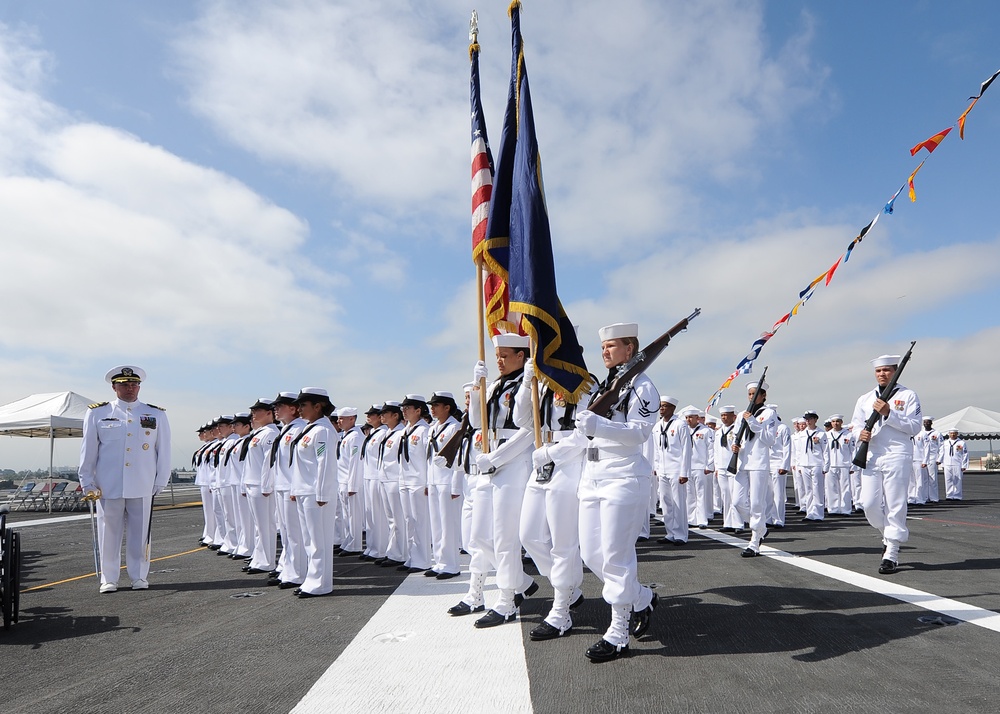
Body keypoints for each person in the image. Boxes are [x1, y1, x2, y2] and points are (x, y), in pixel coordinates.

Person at [574, 322, 659, 662]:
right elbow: (586, 432)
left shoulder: (643, 386)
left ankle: (618, 631)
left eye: (612, 346)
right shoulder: (606, 386)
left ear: (631, 349)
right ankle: (640, 597)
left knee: (616, 555)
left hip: (624, 475)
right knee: (591, 553)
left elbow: (640, 433)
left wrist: (601, 425)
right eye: (603, 347)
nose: (605, 351)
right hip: (592, 473)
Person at [451, 333, 537, 628]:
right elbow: (478, 422)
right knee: (478, 537)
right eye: (496, 355)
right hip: (490, 461)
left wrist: (498, 457)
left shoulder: (527, 383)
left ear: (521, 357)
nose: (498, 360)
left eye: (504, 355)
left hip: (513, 461)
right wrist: (477, 389)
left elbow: (529, 431)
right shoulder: (497, 386)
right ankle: (522, 582)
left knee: (505, 538)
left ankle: (506, 601)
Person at [515, 358, 591, 640]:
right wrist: (526, 381)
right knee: (529, 535)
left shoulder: (584, 385)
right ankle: (570, 588)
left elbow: (585, 435)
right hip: (541, 461)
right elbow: (522, 420)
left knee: (563, 544)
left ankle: (561, 612)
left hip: (567, 463)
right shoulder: (544, 385)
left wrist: (552, 454)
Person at [78, 365, 171, 593]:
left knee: (140, 535)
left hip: (142, 483)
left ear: (139, 386)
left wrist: (160, 480)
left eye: (134, 384)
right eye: (124, 384)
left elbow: (163, 450)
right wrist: (87, 481)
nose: (130, 389)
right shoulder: (98, 413)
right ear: (114, 387)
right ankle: (109, 578)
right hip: (108, 485)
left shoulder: (155, 414)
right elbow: (88, 450)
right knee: (108, 533)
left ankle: (139, 576)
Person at [851, 354, 922, 574]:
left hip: (897, 453)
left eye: (887, 370)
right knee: (869, 504)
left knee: (895, 503)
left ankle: (891, 552)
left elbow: (915, 427)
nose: (882, 374)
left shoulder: (908, 395)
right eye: (878, 371)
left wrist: (889, 413)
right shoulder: (864, 398)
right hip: (872, 454)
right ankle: (888, 534)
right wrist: (859, 434)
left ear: (894, 371)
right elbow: (854, 425)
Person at [289, 387, 339, 597]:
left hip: (315, 493)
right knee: (310, 540)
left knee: (319, 541)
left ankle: (320, 584)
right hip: (304, 491)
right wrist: (295, 489)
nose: (299, 409)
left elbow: (324, 463)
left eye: (303, 405)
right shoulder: (309, 429)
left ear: (318, 406)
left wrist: (322, 494)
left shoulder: (323, 431)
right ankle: (312, 580)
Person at [265, 392, 308, 589]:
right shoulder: (285, 430)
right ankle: (288, 568)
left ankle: (298, 573)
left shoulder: (299, 429)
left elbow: (298, 463)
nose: (276, 409)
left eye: (280, 406)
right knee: (287, 532)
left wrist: (294, 487)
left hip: (291, 487)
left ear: (293, 409)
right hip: (282, 486)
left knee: (295, 533)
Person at [731, 381, 777, 557]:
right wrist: (734, 447)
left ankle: (754, 543)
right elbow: (736, 437)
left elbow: (769, 439)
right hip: (743, 462)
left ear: (763, 395)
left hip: (759, 463)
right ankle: (760, 528)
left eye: (755, 393)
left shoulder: (769, 413)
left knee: (757, 504)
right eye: (750, 393)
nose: (752, 396)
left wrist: (752, 421)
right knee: (737, 501)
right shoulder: (742, 415)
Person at [425, 392, 464, 579]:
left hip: (447, 481)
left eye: (436, 405)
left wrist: (456, 486)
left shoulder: (454, 428)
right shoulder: (433, 428)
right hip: (434, 480)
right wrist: (427, 481)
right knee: (436, 524)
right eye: (431, 405)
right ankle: (440, 562)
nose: (432, 408)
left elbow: (458, 457)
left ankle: (451, 565)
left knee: (448, 524)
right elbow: (429, 458)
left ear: (447, 407)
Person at [240, 399, 279, 574]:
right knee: (258, 525)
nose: (254, 414)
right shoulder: (259, 433)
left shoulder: (271, 433)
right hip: (252, 482)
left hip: (260, 485)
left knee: (265, 525)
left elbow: (268, 463)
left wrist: (266, 486)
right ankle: (259, 558)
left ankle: (267, 561)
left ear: (269, 413)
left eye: (258, 410)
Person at [398, 395, 432, 573]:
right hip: (405, 479)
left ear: (418, 410)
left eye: (408, 408)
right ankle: (412, 557)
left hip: (419, 480)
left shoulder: (424, 430)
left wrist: (427, 482)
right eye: (403, 408)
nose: (404, 411)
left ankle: (423, 560)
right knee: (408, 520)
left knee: (420, 521)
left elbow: (429, 458)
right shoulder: (406, 430)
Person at [650, 396, 690, 545]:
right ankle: (670, 533)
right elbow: (656, 449)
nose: (662, 409)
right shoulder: (657, 426)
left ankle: (680, 535)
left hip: (676, 469)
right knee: (666, 503)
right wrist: (656, 467)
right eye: (660, 406)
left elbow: (686, 450)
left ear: (673, 408)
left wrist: (684, 472)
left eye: (665, 406)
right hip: (663, 470)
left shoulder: (680, 424)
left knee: (678, 503)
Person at [335, 407, 364, 557]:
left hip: (350, 481)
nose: (339, 421)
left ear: (352, 419)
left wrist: (352, 484)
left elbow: (355, 463)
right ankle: (347, 541)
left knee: (353, 515)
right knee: (346, 515)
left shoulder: (355, 437)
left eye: (342, 418)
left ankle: (354, 544)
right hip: (342, 480)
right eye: (339, 418)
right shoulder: (346, 436)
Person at [713, 406, 743, 533]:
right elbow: (715, 450)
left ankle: (738, 523)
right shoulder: (719, 432)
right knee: (726, 495)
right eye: (722, 416)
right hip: (721, 467)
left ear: (733, 417)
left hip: (733, 466)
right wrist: (716, 467)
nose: (724, 418)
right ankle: (728, 522)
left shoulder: (737, 430)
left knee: (735, 495)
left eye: (726, 415)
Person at [799, 411, 829, 522]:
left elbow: (826, 451)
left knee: (818, 489)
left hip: (817, 463)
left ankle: (818, 514)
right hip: (805, 463)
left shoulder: (821, 433)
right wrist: (798, 464)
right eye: (806, 419)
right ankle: (810, 513)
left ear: (815, 419)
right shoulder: (802, 434)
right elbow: (799, 451)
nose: (808, 421)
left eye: (810, 419)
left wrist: (826, 465)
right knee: (808, 490)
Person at [765, 405, 791, 529]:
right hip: (765, 464)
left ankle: (778, 519)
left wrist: (784, 465)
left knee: (778, 494)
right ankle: (768, 518)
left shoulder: (782, 428)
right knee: (767, 494)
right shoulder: (763, 428)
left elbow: (787, 448)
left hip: (777, 463)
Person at [826, 415, 855, 515]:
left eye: (837, 421)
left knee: (845, 488)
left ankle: (846, 509)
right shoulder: (828, 435)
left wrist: (853, 465)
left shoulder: (848, 435)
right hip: (831, 465)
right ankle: (833, 508)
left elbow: (853, 451)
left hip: (844, 464)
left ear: (841, 422)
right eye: (833, 421)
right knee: (831, 488)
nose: (835, 423)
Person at [939, 428, 969, 500]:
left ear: (957, 434)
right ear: (949, 434)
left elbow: (965, 454)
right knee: (948, 480)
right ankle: (949, 495)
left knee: (957, 480)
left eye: (954, 433)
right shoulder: (945, 443)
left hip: (957, 463)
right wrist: (942, 464)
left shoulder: (961, 443)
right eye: (951, 433)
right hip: (947, 463)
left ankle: (957, 495)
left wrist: (964, 465)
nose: (952, 435)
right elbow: (942, 453)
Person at [920, 417, 942, 503]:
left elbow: (941, 446)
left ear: (931, 423)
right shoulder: (920, 433)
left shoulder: (937, 433)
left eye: (928, 422)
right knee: (924, 479)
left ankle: (934, 498)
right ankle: (925, 497)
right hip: (923, 457)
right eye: (925, 422)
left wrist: (939, 458)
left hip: (932, 457)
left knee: (933, 479)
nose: (926, 424)